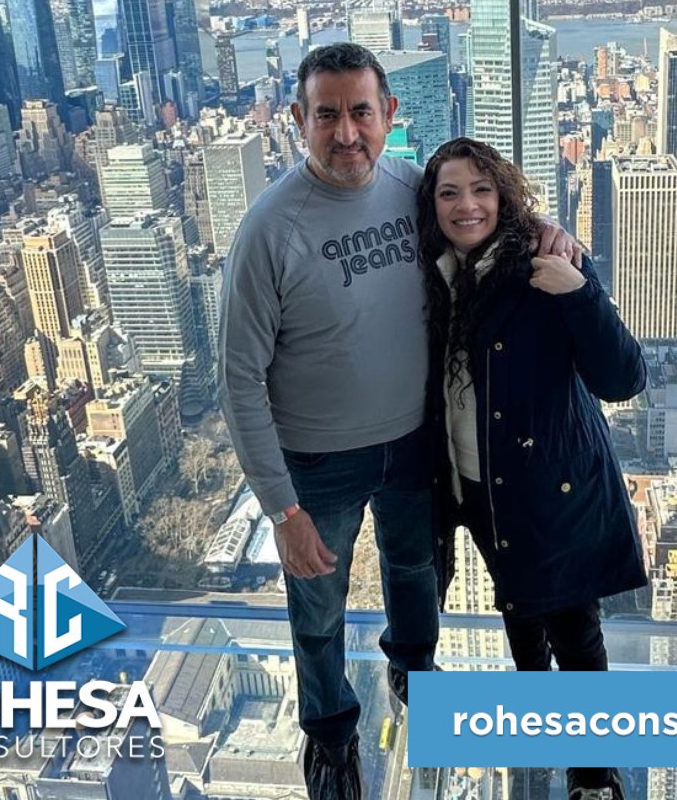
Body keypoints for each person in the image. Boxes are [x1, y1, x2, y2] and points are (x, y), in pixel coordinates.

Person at [219, 43, 575, 800]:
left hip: (414, 441)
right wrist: (281, 509)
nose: (346, 133)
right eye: (326, 115)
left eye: (360, 112)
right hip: (318, 460)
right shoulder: (268, 229)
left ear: (389, 114)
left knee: (416, 573)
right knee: (318, 605)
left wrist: (547, 228)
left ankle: (412, 669)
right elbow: (238, 379)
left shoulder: (412, 188)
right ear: (297, 121)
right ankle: (330, 734)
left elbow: (484, 215)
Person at [418, 137, 648, 800]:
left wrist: (580, 292)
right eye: (449, 193)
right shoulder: (435, 272)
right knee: (519, 613)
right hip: (473, 490)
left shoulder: (548, 264)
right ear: (431, 206)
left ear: (504, 196)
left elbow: (622, 377)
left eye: (481, 189)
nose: (466, 205)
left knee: (573, 633)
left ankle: (593, 778)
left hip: (548, 489)